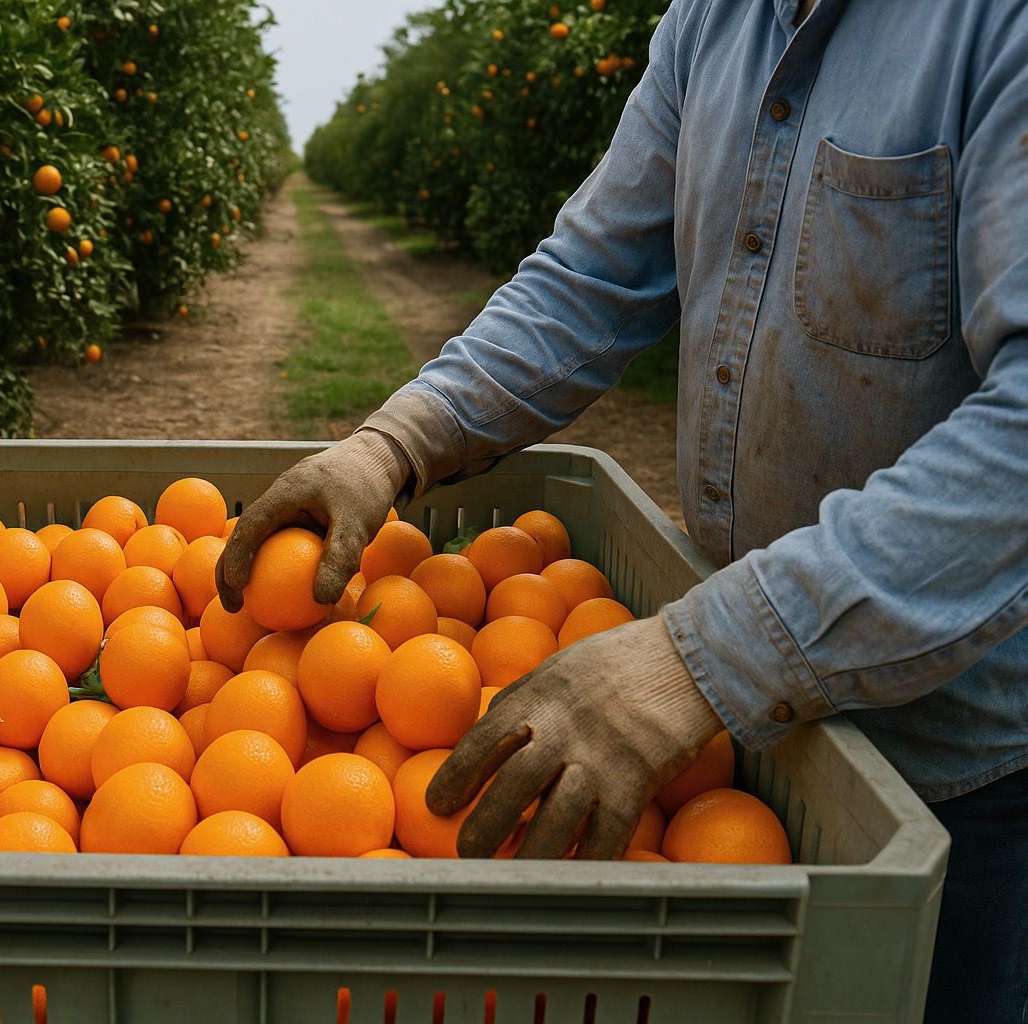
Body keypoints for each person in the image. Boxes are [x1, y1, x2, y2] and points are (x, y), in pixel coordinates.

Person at [214, 1, 1028, 1020]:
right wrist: (396, 444)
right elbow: (593, 277)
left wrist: (699, 659)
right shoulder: (713, 23)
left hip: (957, 763)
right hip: (723, 750)